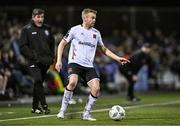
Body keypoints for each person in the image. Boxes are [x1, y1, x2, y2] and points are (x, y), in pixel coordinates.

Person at [55, 8, 130, 121]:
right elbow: (61, 44)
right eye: (92, 18)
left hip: (89, 66)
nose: (94, 20)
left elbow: (104, 50)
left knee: (96, 89)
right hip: (75, 63)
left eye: (95, 18)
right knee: (72, 82)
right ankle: (62, 111)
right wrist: (59, 61)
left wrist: (117, 58)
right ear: (85, 18)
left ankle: (86, 114)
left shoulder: (96, 33)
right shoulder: (74, 30)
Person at [19, 8, 55, 114]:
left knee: (37, 84)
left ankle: (34, 107)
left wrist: (51, 57)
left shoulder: (47, 29)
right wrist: (33, 56)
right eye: (38, 17)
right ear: (33, 17)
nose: (40, 19)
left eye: (42, 16)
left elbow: (52, 44)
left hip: (45, 62)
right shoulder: (26, 29)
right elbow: (23, 46)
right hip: (33, 62)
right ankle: (44, 105)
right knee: (38, 80)